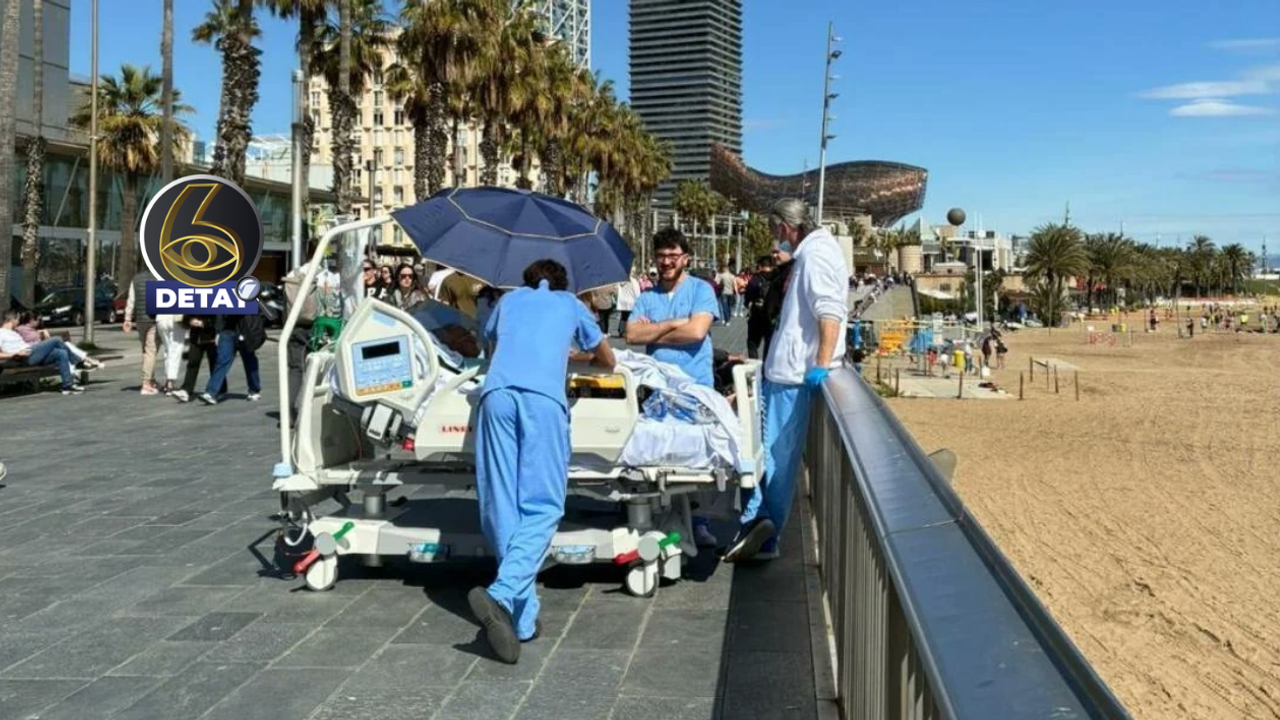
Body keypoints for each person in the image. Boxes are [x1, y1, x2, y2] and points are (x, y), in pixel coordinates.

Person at [468, 259, 616, 664]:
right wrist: (572, 357)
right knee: (543, 505)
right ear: (563, 282)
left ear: (527, 279)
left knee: (500, 502)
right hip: (542, 402)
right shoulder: (571, 305)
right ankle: (502, 592)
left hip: (497, 395)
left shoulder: (509, 301)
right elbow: (608, 360)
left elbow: (488, 345)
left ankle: (521, 618)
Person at [725, 198, 848, 563]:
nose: (774, 238)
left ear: (783, 226)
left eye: (773, 230)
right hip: (783, 373)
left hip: (794, 377)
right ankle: (758, 524)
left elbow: (829, 310)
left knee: (775, 457)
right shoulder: (811, 253)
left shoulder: (817, 255)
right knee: (765, 452)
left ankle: (764, 532)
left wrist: (821, 364)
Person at [626, 228, 721, 547]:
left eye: (672, 255)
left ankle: (699, 522)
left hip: (695, 388)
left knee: (697, 462)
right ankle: (658, 520)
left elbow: (696, 333)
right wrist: (673, 323)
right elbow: (631, 335)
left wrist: (654, 332)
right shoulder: (647, 297)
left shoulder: (701, 290)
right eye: (661, 256)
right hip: (657, 392)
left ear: (686, 258)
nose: (666, 262)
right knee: (657, 459)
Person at [0, 311, 85, 394]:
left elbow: (24, 343)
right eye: (18, 319)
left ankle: (67, 386)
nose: (18, 322)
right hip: (25, 358)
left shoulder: (13, 332)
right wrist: (16, 354)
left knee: (61, 353)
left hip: (32, 353)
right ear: (13, 320)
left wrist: (38, 341)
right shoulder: (1, 333)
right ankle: (77, 361)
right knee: (56, 339)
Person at [15, 313, 103, 370]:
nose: (40, 322)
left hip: (41, 353)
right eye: (38, 320)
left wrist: (42, 333)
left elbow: (40, 340)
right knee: (58, 341)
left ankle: (82, 361)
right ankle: (81, 361)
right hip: (33, 355)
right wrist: (42, 333)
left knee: (65, 346)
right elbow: (34, 341)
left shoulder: (32, 329)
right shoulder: (21, 329)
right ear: (31, 320)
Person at [123, 268, 161, 395]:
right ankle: (146, 383)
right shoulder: (160, 277)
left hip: (140, 320)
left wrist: (127, 318)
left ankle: (151, 379)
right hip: (153, 318)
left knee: (145, 351)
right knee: (151, 351)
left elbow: (131, 300)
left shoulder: (136, 279)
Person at [743, 255, 775, 359]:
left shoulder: (755, 279)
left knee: (752, 342)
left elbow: (748, 297)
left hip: (757, 315)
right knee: (769, 342)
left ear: (760, 266)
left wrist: (748, 303)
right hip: (772, 316)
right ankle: (767, 363)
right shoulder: (777, 277)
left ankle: (754, 362)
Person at [615, 271, 641, 339]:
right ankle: (628, 331)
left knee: (623, 317)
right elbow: (637, 292)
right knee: (630, 317)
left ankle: (621, 330)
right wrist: (639, 300)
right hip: (631, 301)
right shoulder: (634, 281)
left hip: (623, 301)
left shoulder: (621, 281)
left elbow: (616, 289)